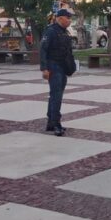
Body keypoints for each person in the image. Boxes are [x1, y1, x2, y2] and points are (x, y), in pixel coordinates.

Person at [40, 8, 77, 136]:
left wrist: (71, 67)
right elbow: (43, 50)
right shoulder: (50, 31)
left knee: (56, 95)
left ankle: (51, 122)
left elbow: (68, 52)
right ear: (60, 18)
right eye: (68, 18)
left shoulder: (65, 32)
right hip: (53, 67)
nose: (70, 20)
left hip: (63, 67)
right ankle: (56, 124)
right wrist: (44, 68)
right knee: (56, 96)